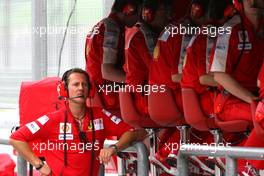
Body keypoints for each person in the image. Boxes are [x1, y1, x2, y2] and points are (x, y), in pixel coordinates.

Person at [9, 68, 147, 176]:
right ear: (64, 90)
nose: (81, 88)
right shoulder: (53, 119)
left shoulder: (101, 115)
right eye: (75, 84)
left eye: (84, 85)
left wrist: (114, 148)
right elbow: (16, 138)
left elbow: (133, 132)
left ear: (89, 90)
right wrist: (39, 165)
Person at [85, 0, 142, 112]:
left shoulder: (100, 25)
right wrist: (140, 83)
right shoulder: (111, 29)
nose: (139, 20)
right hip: (109, 97)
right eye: (139, 14)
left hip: (95, 93)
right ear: (129, 10)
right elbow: (108, 72)